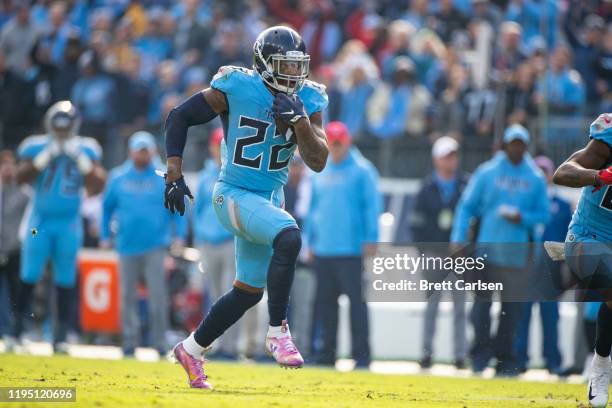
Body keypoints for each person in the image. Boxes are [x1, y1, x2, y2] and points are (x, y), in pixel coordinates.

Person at [163, 26, 328, 389]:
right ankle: (277, 331)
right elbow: (179, 116)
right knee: (289, 237)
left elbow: (318, 160)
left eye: (299, 66)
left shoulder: (310, 99)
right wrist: (173, 175)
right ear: (265, 64)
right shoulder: (238, 87)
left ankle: (191, 350)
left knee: (247, 292)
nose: (295, 74)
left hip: (269, 199)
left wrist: (300, 122)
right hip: (234, 193)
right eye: (285, 66)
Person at [451, 124, 549, 376]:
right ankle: (480, 356)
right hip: (487, 253)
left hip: (517, 257)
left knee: (511, 313)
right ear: (505, 145)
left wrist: (523, 217)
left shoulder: (535, 177)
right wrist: (458, 238)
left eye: (520, 144)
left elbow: (544, 215)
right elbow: (466, 206)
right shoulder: (487, 172)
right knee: (481, 309)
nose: (516, 148)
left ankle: (505, 361)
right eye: (512, 143)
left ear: (526, 146)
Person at [14, 101, 106, 352]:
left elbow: (97, 184)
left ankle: (61, 335)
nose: (63, 133)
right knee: (29, 272)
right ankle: (16, 332)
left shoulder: (85, 148)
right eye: (59, 127)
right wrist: (45, 157)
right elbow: (19, 177)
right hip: (38, 222)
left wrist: (81, 160)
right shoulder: (37, 146)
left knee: (65, 277)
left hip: (69, 223)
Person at [100, 131, 186, 357]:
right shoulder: (118, 177)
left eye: (146, 151)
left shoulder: (164, 176)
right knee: (127, 296)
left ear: (153, 151)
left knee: (158, 296)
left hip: (155, 245)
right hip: (126, 245)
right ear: (131, 152)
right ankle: (129, 342)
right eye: (139, 151)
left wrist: (180, 234)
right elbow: (107, 208)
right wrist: (104, 235)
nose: (143, 155)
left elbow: (177, 208)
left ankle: (159, 343)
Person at [306, 121, 380, 368]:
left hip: (351, 249)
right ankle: (327, 354)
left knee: (357, 305)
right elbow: (313, 209)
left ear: (347, 142)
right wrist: (310, 240)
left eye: (339, 144)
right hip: (324, 249)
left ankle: (361, 356)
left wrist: (371, 239)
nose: (335, 149)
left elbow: (372, 207)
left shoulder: (363, 170)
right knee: (325, 306)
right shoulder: (320, 170)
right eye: (332, 144)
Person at [552, 113, 612, 408]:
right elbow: (562, 173)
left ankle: (601, 361)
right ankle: (601, 368)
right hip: (586, 238)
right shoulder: (607, 140)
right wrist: (598, 175)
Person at [193, 128, 258, 360]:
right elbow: (197, 210)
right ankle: (220, 344)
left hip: (231, 241)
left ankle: (232, 346)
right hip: (209, 243)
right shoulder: (205, 176)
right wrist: (200, 238)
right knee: (214, 294)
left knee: (231, 295)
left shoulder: (238, 173)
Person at [411, 136, 468, 369]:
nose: (450, 161)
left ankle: (460, 355)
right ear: (436, 160)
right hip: (434, 256)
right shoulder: (426, 189)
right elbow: (416, 226)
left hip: (460, 258)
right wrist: (425, 253)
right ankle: (426, 353)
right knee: (432, 307)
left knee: (460, 309)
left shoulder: (466, 185)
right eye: (446, 156)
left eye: (453, 156)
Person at [514, 155, 572, 375]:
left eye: (544, 170)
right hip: (526, 267)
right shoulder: (522, 204)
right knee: (522, 316)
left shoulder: (563, 205)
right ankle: (519, 359)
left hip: (550, 270)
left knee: (550, 317)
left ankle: (553, 360)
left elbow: (569, 239)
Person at [0, 150, 30, 350]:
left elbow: (35, 226)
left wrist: (32, 239)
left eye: (12, 164)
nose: (9, 168)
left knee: (16, 294)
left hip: (15, 250)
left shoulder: (25, 193)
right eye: (4, 164)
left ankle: (16, 332)